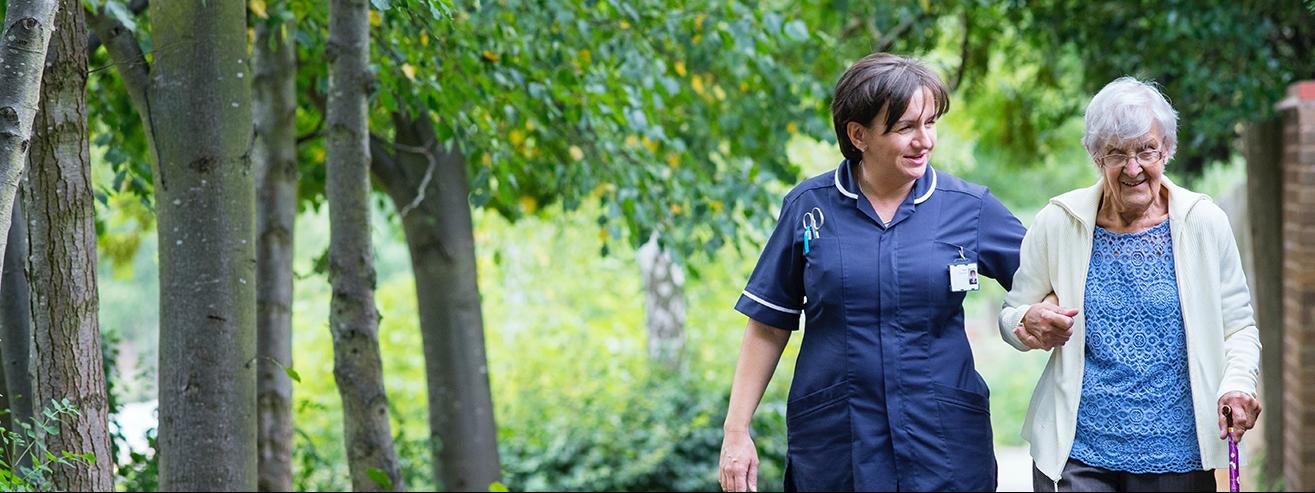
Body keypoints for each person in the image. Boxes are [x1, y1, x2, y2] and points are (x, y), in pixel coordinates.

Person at [718, 52, 1026, 492]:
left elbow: (1045, 278)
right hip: (838, 444)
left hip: (943, 444)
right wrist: (736, 432)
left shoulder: (969, 208)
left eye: (930, 123)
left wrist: (1036, 316)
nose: (925, 141)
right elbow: (769, 324)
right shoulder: (810, 209)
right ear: (858, 134)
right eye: (905, 128)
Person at [997, 77, 1263, 492]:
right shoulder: (1059, 222)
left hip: (1179, 457)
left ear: (1167, 150)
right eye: (1117, 153)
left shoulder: (1202, 223)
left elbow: (1239, 328)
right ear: (1095, 156)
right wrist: (1028, 322)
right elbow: (1012, 315)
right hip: (1078, 454)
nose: (1133, 167)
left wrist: (1237, 385)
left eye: (1146, 150)